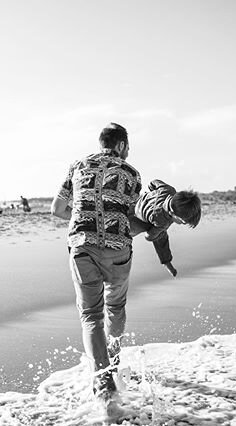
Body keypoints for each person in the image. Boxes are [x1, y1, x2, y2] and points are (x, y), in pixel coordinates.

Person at [51, 123, 142, 403]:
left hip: (82, 250)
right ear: (122, 145)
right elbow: (132, 221)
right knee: (115, 306)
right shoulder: (131, 173)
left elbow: (57, 209)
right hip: (117, 252)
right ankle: (112, 363)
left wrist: (84, 223)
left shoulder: (77, 166)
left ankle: (102, 382)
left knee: (91, 315)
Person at [129, 180, 202, 277]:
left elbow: (153, 182)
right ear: (172, 213)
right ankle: (166, 262)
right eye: (182, 222)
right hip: (138, 219)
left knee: (159, 230)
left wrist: (152, 193)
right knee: (161, 236)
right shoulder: (162, 221)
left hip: (136, 201)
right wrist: (149, 234)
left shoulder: (168, 190)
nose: (181, 224)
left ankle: (166, 261)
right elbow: (150, 237)